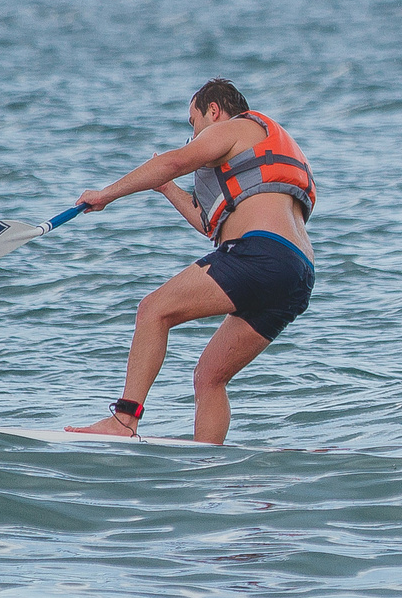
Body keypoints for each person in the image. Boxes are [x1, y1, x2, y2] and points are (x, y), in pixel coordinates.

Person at [63, 80, 317, 444]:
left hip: (261, 253)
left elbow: (175, 161)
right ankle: (208, 462)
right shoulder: (256, 145)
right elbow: (207, 222)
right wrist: (166, 187)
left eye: (193, 121)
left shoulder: (235, 126)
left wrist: (106, 194)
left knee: (153, 310)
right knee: (209, 377)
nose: (193, 133)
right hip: (296, 274)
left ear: (213, 111)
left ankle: (123, 420)